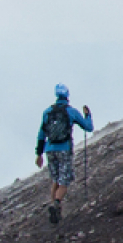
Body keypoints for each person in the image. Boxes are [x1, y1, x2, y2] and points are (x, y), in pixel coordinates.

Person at [36, 84, 93, 224]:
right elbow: (88, 127)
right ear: (67, 96)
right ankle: (57, 203)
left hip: (50, 149)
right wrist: (88, 115)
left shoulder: (47, 112)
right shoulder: (70, 112)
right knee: (64, 181)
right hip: (64, 149)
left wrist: (39, 154)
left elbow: (41, 134)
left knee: (55, 180)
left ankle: (55, 209)